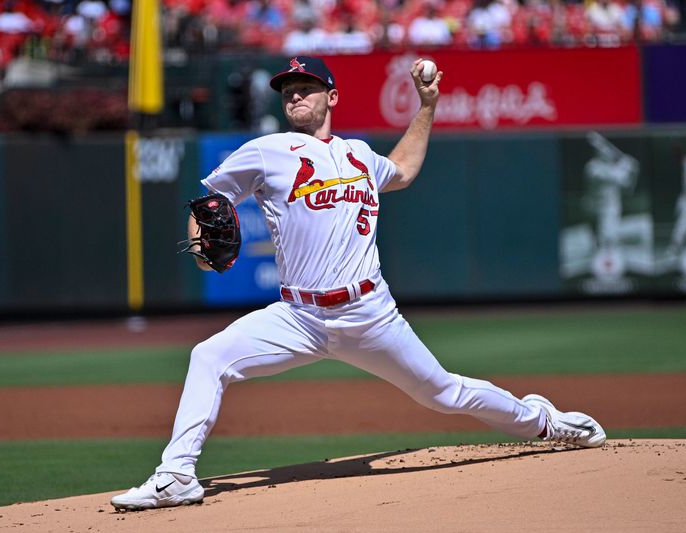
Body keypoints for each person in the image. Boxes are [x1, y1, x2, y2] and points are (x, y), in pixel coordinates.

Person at [110, 55, 606, 511]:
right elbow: (208, 203)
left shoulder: (359, 156)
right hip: (298, 316)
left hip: (370, 313)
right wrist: (202, 251)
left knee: (443, 393)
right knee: (208, 357)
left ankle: (543, 422)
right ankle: (177, 475)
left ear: (332, 97)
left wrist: (426, 106)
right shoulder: (267, 151)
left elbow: (406, 169)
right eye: (288, 91)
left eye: (306, 87)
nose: (295, 96)